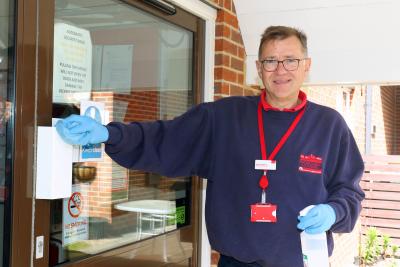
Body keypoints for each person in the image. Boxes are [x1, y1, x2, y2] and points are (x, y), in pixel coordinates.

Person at [56, 26, 365, 267]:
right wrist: (111, 134)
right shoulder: (223, 118)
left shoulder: (329, 125)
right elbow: (165, 137)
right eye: (271, 61)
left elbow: (349, 193)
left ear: (306, 65)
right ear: (259, 67)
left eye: (291, 60)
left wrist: (333, 211)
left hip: (301, 261)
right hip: (235, 263)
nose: (280, 70)